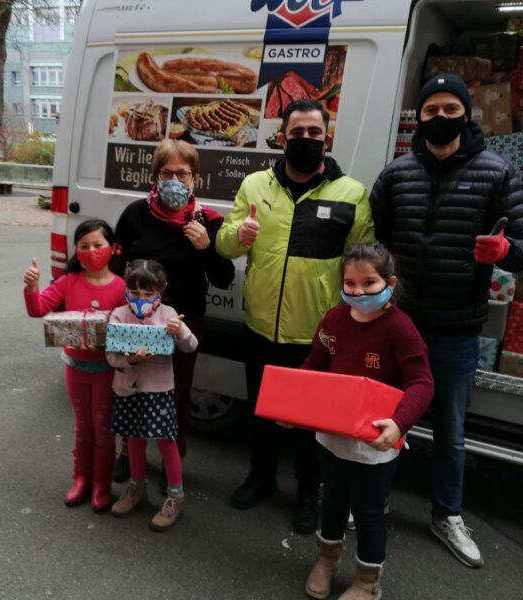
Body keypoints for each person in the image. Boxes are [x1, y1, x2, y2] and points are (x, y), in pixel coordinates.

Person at [370, 73, 523, 569]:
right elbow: (377, 242)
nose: (440, 118)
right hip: (399, 323)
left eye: (450, 109)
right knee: (385, 418)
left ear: (467, 113)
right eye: (431, 110)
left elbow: (522, 245)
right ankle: (372, 501)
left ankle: (447, 514)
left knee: (452, 431)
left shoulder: (497, 172)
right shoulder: (397, 174)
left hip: (458, 325)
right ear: (420, 116)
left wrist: (507, 250)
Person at [216, 98, 375, 534]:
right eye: (298, 132)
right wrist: (238, 235)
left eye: (314, 133)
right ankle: (261, 476)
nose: (306, 139)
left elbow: (362, 263)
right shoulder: (255, 185)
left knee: (310, 423)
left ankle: (309, 490)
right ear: (282, 136)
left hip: (318, 332)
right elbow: (225, 244)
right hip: (261, 324)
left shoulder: (352, 193)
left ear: (327, 138)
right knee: (262, 411)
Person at [299, 242, 434, 600]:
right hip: (330, 435)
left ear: (389, 282)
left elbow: (422, 382)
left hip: (375, 442)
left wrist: (400, 423)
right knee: (331, 500)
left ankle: (367, 581)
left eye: (369, 283)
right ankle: (326, 560)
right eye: (350, 283)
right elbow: (315, 363)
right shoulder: (333, 318)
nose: (358, 292)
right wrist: (293, 401)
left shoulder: (400, 327)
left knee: (369, 512)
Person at [113, 139, 234, 487]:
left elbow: (224, 279)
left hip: (181, 322)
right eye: (167, 172)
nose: (175, 180)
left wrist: (207, 248)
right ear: (155, 176)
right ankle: (127, 451)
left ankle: (173, 458)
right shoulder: (135, 214)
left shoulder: (206, 221)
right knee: (129, 384)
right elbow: (117, 266)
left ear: (195, 178)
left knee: (177, 392)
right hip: (134, 319)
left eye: (182, 173)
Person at [23, 219, 126, 511]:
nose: (91, 251)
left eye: (98, 245)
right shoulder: (68, 282)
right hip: (76, 368)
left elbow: (130, 332)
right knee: (83, 426)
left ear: (113, 248)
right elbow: (37, 310)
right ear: (76, 250)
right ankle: (81, 478)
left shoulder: (122, 288)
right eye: (84, 246)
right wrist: (32, 287)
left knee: (104, 428)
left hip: (107, 370)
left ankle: (101, 484)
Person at [107, 259, 198, 531]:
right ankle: (137, 487)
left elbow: (191, 346)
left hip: (158, 390)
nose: (141, 299)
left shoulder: (169, 314)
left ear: (161, 289)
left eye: (148, 293)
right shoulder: (119, 315)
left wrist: (180, 331)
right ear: (126, 290)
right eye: (134, 292)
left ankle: (175, 496)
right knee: (132, 439)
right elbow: (111, 356)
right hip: (126, 388)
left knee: (165, 442)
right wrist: (131, 360)